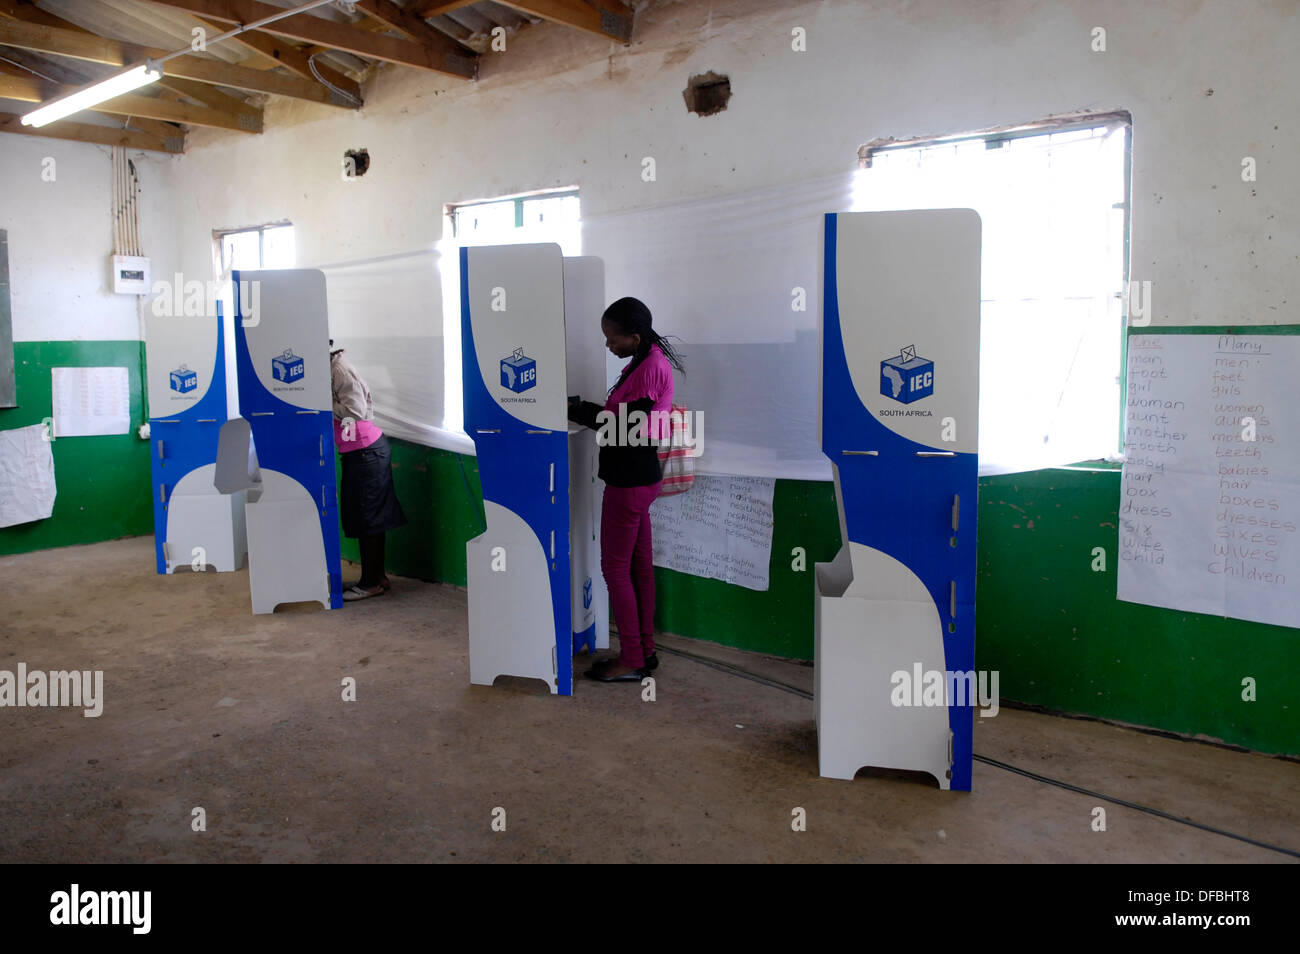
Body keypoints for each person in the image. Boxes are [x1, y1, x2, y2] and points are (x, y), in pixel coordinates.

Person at [567, 297, 684, 683]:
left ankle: (632, 658)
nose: (607, 345)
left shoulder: (650, 368)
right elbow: (622, 418)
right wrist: (587, 409)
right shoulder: (645, 360)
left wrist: (578, 409)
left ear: (634, 336)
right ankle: (644, 650)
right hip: (641, 478)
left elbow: (620, 428)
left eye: (612, 338)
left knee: (614, 569)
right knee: (637, 567)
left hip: (628, 482)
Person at [330, 341, 406, 601]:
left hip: (366, 451)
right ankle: (377, 577)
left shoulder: (338, 368)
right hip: (361, 451)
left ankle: (371, 582)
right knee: (368, 518)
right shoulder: (333, 366)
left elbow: (355, 411)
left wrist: (322, 403)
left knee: (368, 518)